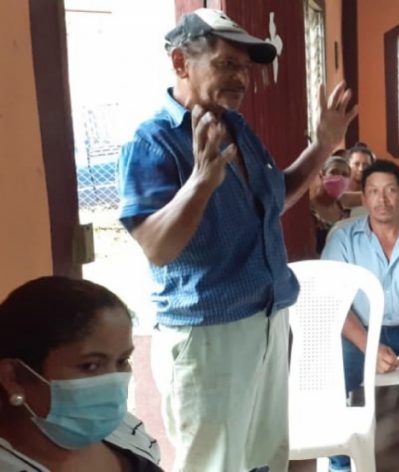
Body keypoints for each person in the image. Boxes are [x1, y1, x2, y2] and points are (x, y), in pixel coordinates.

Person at [117, 9, 357, 471]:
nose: (241, 79)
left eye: (244, 68)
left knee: (266, 458)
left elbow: (277, 196)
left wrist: (325, 143)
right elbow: (156, 247)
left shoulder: (239, 130)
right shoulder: (155, 142)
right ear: (181, 63)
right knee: (216, 464)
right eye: (226, 64)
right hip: (209, 336)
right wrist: (201, 183)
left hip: (267, 319)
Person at [321, 160, 399, 472]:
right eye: (374, 192)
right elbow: (333, 301)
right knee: (331, 378)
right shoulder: (343, 239)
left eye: (390, 190)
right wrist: (368, 347)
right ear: (363, 198)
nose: (382, 199)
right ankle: (341, 463)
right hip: (360, 333)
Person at [0, 277, 161, 471]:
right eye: (90, 366)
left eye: (122, 361)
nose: (114, 382)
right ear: (13, 378)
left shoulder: (123, 430)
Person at [311, 153, 351, 254]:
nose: (340, 178)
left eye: (345, 175)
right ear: (321, 175)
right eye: (334, 172)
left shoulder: (342, 207)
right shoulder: (310, 210)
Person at [340, 144, 376, 210]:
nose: (361, 169)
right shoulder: (338, 189)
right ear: (348, 165)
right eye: (356, 164)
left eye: (366, 165)